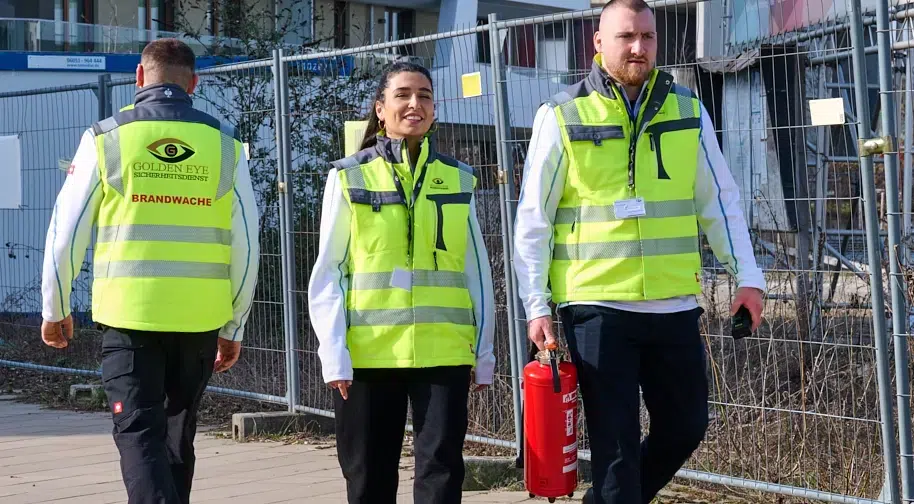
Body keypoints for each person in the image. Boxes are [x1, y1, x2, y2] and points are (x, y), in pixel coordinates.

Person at [512, 1, 767, 503]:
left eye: (648, 37)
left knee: (686, 426)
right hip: (596, 307)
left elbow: (720, 202)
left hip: (673, 305)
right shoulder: (561, 115)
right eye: (626, 36)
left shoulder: (688, 110)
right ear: (598, 43)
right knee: (617, 451)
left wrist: (749, 278)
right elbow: (533, 218)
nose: (638, 47)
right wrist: (535, 305)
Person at [39, 38, 260, 504]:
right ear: (194, 83)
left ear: (139, 77)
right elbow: (247, 242)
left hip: (129, 318)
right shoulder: (226, 144)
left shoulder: (106, 137)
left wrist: (55, 308)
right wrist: (234, 325)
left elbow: (66, 231)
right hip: (200, 320)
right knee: (178, 436)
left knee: (138, 432)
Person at [307, 61, 496, 504]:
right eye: (403, 95)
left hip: (444, 350)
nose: (415, 104)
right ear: (380, 109)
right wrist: (334, 353)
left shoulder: (458, 178)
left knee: (442, 473)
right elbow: (328, 270)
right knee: (368, 476)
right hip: (369, 352)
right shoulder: (348, 176)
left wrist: (483, 350)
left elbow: (477, 271)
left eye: (425, 95)